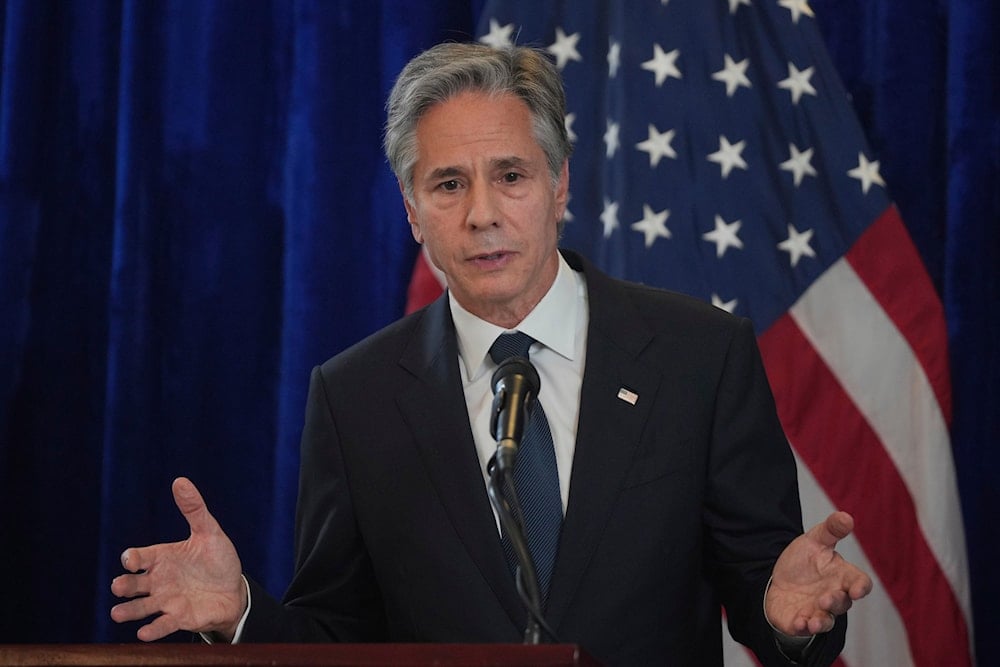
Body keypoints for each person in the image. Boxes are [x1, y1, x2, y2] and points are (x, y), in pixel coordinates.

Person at [111, 42, 872, 666]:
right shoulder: (356, 396)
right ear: (412, 212)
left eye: (510, 176)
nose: (482, 215)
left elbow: (767, 594)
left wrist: (787, 613)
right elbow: (336, 640)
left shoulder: (701, 356)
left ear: (559, 185)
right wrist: (240, 613)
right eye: (448, 184)